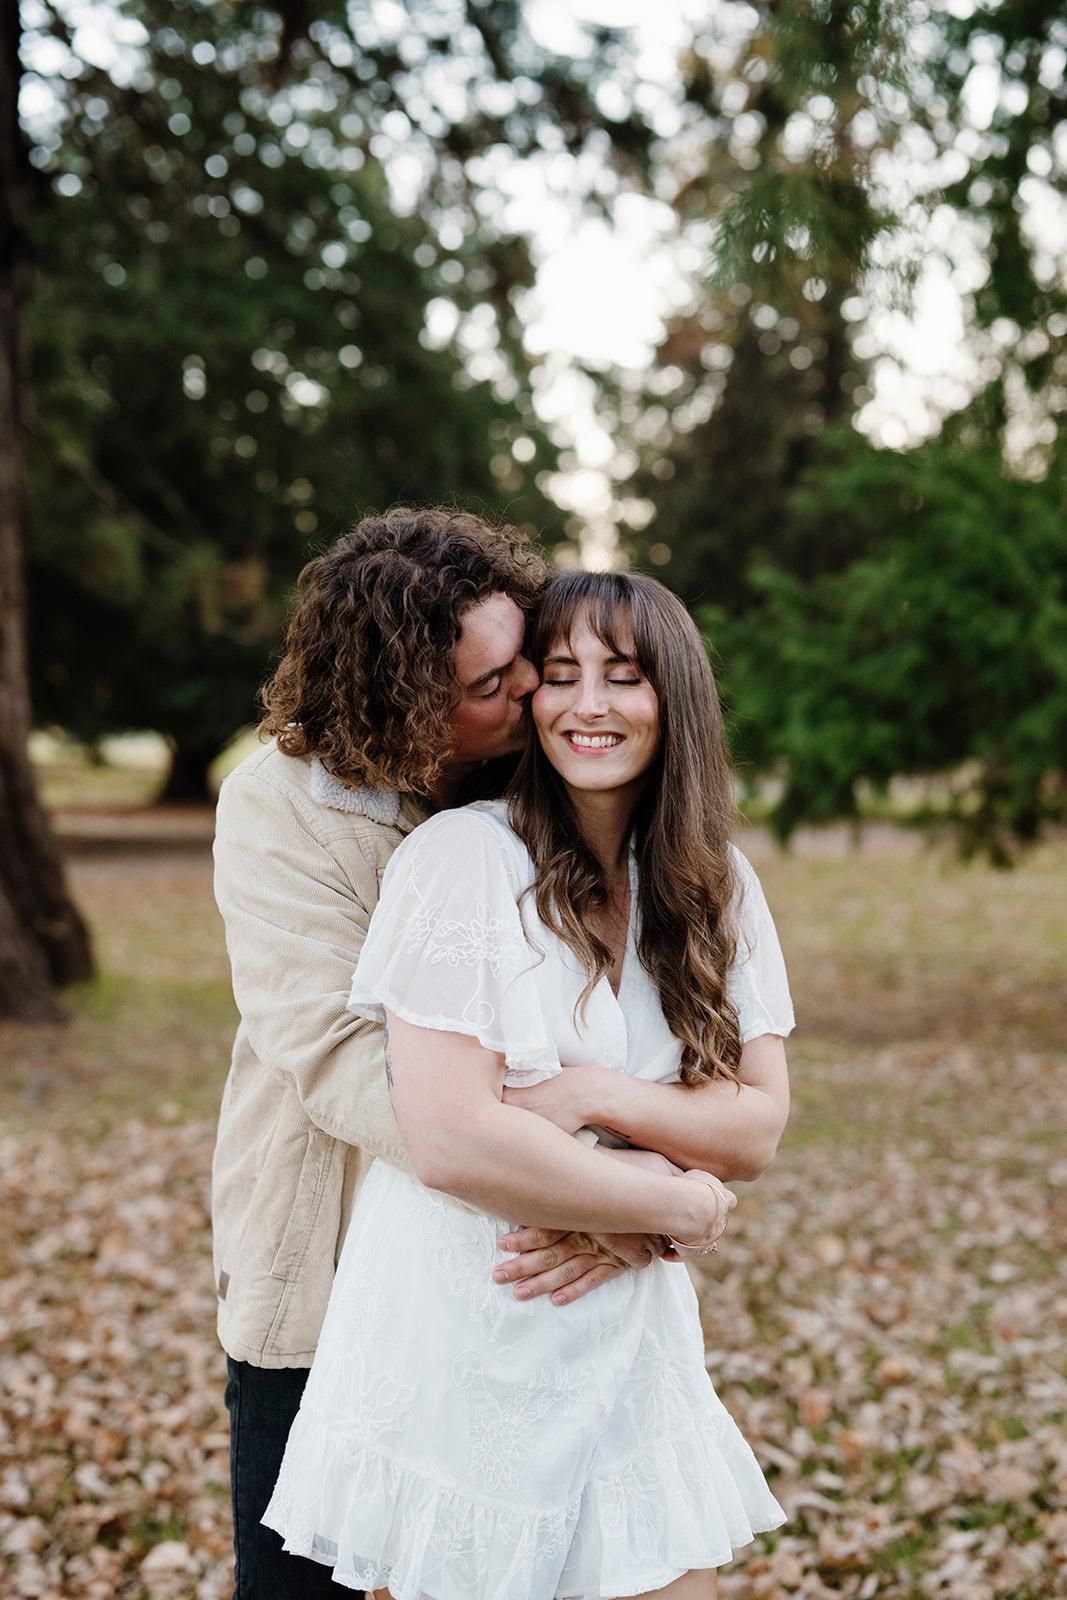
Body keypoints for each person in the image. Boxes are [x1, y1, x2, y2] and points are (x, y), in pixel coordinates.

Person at [262, 570, 795, 1600]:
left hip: (624, 1328)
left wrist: (598, 1100)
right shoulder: (462, 859)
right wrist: (673, 1202)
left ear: (673, 697)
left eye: (622, 676)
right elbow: (450, 1139)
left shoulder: (715, 882)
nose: (588, 704)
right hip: (467, 1318)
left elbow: (757, 1124)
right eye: (559, 674)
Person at [213, 510, 689, 1600]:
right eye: (489, 686)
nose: (530, 693)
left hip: (515, 1275)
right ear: (407, 702)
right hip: (330, 1248)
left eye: (523, 660)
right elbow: (333, 1051)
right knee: (305, 1584)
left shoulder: (532, 780)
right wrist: (584, 1181)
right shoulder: (278, 807)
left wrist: (618, 1176)